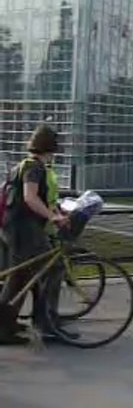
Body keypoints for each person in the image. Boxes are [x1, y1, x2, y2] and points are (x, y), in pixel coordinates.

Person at [0, 124, 69, 344]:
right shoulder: (35, 168)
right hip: (25, 228)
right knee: (54, 267)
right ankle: (47, 325)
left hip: (12, 227)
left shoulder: (22, 165)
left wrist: (54, 211)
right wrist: (52, 216)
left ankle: (4, 327)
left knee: (19, 278)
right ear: (50, 148)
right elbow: (30, 197)